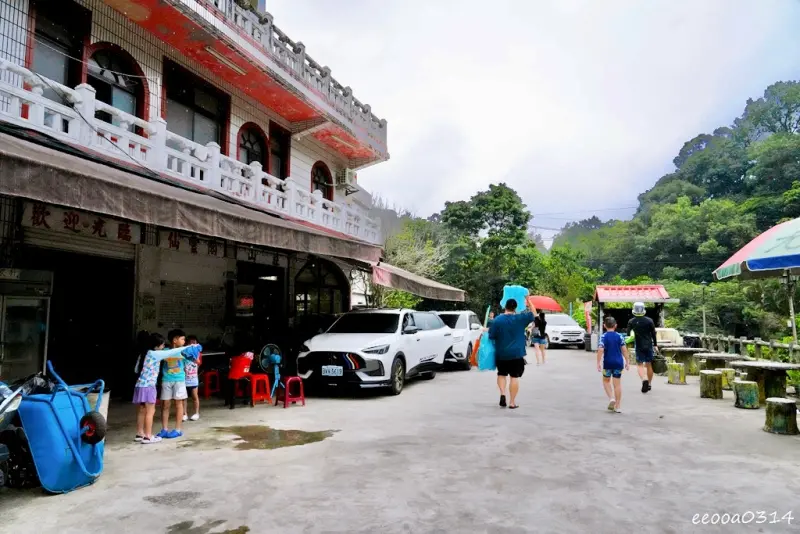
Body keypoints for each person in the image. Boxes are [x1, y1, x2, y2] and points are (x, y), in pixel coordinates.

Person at [132, 333, 201, 444]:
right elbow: (171, 352)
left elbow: (136, 370)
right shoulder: (155, 354)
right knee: (150, 411)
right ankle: (148, 436)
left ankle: (140, 433)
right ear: (157, 345)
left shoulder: (144, 353)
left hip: (140, 385)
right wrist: (189, 347)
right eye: (162, 345)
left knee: (142, 410)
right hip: (149, 386)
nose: (164, 347)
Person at [488, 298, 536, 409]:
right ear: (515, 308)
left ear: (505, 306)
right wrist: (528, 300)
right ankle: (512, 402)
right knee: (514, 377)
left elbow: (492, 336)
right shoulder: (520, 318)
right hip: (516, 354)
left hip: (501, 353)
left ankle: (502, 394)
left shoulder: (497, 320)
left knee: (501, 374)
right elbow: (534, 313)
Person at [159, 329, 188, 438]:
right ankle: (164, 429)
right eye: (183, 339)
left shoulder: (185, 351)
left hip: (179, 380)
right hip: (166, 379)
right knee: (165, 404)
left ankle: (178, 429)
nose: (184, 341)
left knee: (178, 404)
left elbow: (194, 360)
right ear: (175, 340)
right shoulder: (165, 350)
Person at [597, 317, 629, 413]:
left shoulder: (603, 337)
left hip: (608, 363)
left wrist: (598, 362)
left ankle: (611, 398)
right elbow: (624, 349)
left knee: (606, 381)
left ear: (604, 326)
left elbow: (600, 350)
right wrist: (627, 361)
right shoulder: (620, 336)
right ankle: (618, 406)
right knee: (617, 384)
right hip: (618, 363)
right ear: (615, 326)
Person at [627, 302, 658, 393]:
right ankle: (649, 384)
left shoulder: (631, 321)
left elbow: (629, 335)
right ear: (643, 310)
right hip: (648, 345)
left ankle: (644, 379)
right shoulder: (649, 321)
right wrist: (655, 345)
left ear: (634, 310)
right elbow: (653, 334)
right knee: (649, 364)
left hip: (639, 345)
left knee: (640, 364)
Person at [182, 335, 201, 422]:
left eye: (194, 342)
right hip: (184, 378)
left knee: (195, 396)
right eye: (190, 342)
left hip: (193, 378)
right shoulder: (183, 353)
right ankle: (184, 414)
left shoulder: (198, 353)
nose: (192, 344)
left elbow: (199, 363)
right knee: (184, 397)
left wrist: (195, 359)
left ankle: (196, 413)